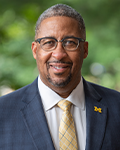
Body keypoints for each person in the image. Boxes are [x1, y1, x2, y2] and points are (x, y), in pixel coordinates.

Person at [0, 4, 120, 150]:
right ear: (35, 50)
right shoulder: (3, 112)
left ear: (85, 50)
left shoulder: (116, 106)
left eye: (70, 42)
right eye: (49, 43)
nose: (58, 54)